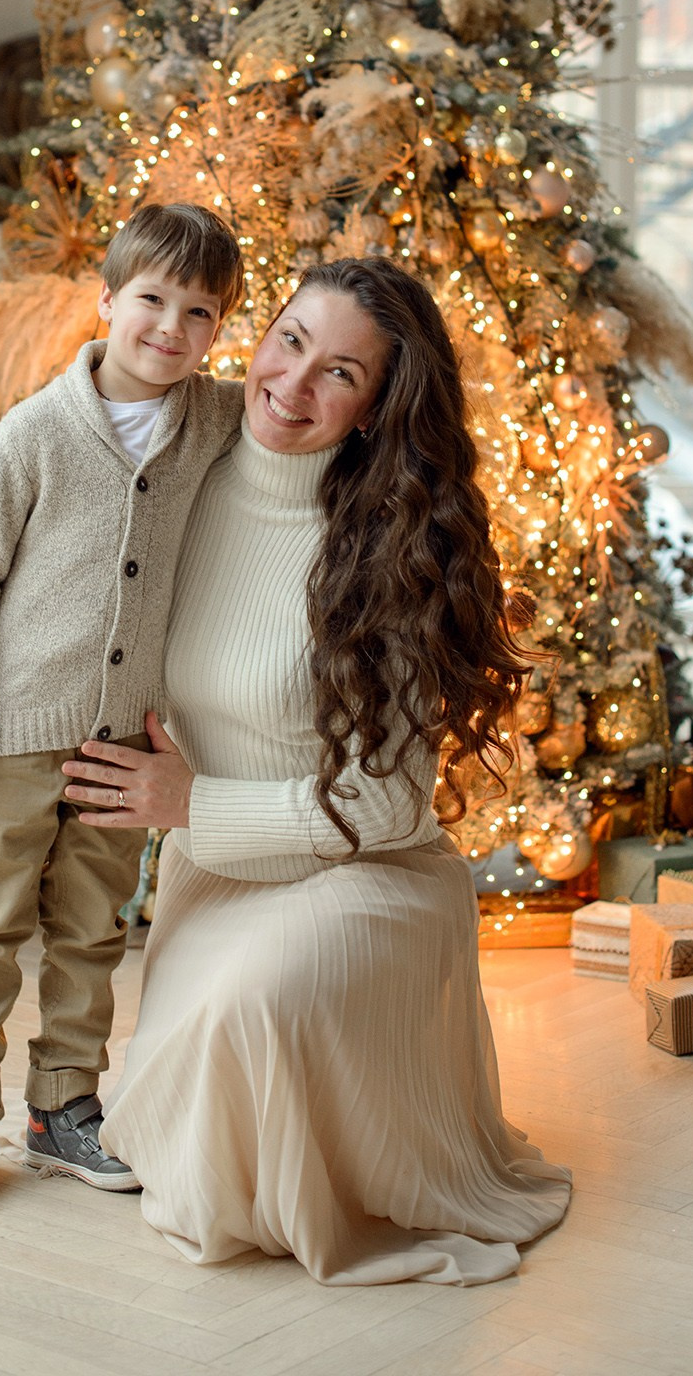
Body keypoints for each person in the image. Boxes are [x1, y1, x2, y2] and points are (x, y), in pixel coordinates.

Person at [62, 257, 572, 1286]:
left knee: (253, 1013)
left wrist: (192, 804)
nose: (290, 386)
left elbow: (388, 804)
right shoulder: (175, 472)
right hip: (218, 878)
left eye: (339, 373)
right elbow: (53, 564)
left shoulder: (395, 548)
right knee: (201, 1071)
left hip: (369, 875)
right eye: (289, 340)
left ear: (378, 406)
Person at [0, 203, 245, 1213]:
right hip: (16, 726)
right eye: (150, 299)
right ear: (104, 301)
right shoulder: (35, 432)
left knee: (94, 923)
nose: (169, 329)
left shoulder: (215, 420)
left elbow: (295, 409)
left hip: (125, 736)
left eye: (199, 312)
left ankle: (63, 1105)